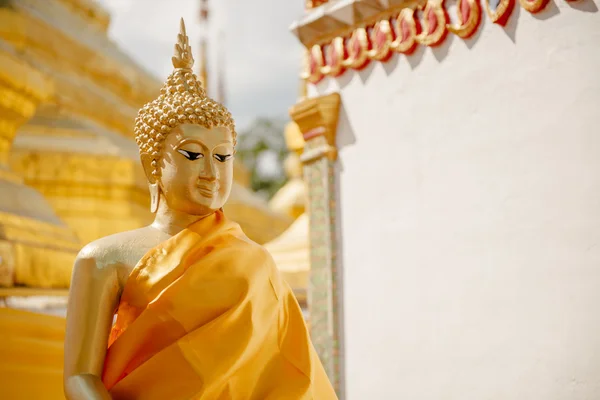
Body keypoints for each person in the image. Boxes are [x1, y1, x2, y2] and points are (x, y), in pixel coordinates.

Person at [63, 18, 337, 400]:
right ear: (152, 165)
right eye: (192, 155)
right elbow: (79, 376)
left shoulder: (255, 263)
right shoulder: (104, 259)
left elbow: (289, 373)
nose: (212, 172)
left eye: (223, 157)